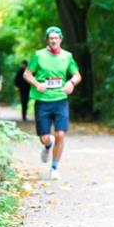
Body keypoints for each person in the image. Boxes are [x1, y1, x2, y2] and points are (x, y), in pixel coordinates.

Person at [23, 27, 81, 181]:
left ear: (61, 39)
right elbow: (27, 74)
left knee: (61, 134)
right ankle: (48, 145)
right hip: (43, 101)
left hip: (60, 100)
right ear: (47, 40)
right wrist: (37, 84)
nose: (54, 40)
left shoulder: (67, 56)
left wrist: (71, 83)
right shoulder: (39, 55)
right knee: (44, 138)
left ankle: (54, 168)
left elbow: (77, 74)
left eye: (56, 38)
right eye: (51, 38)